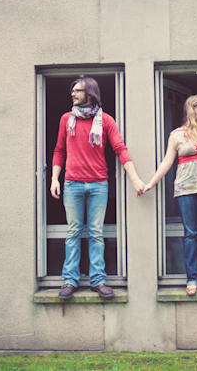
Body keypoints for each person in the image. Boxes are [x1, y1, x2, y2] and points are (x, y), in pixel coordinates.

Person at [51, 77, 145, 300]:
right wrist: (55, 178)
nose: (72, 94)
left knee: (96, 233)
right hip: (72, 183)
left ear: (90, 93)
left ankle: (98, 281)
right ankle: (69, 281)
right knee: (73, 232)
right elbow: (59, 150)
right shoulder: (66, 119)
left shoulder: (106, 120)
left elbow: (120, 149)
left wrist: (134, 179)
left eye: (77, 90)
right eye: (71, 90)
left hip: (98, 184)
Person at [143, 94, 197, 295]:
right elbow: (167, 162)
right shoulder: (176, 135)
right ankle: (192, 278)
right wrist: (151, 183)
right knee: (191, 235)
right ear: (193, 108)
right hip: (186, 190)